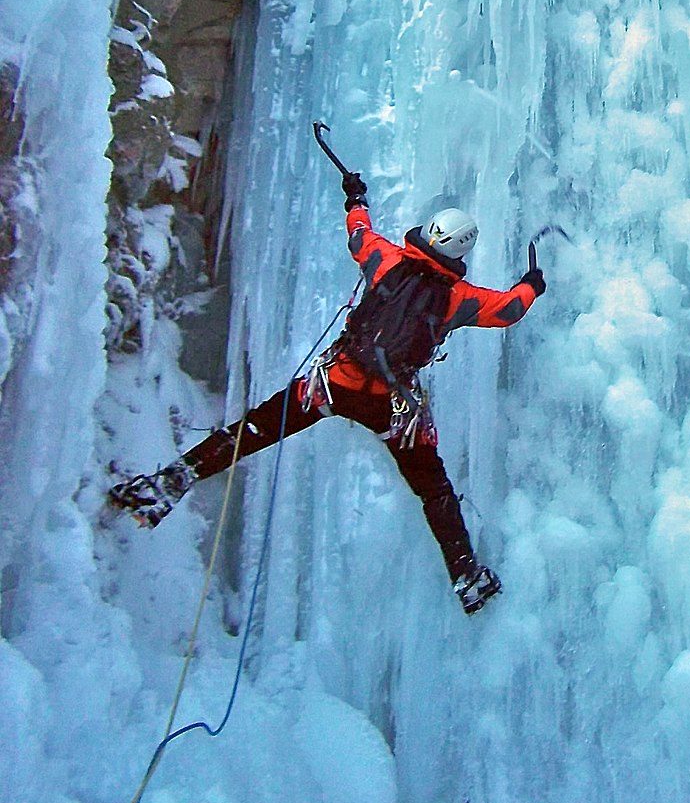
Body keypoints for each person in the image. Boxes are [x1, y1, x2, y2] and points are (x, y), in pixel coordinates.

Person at [109, 169, 545, 614]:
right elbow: (509, 309)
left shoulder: (387, 260)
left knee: (254, 429)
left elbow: (359, 233)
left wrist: (355, 196)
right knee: (433, 488)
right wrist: (532, 283)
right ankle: (466, 576)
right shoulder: (458, 298)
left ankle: (166, 484)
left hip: (334, 384)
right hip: (390, 406)